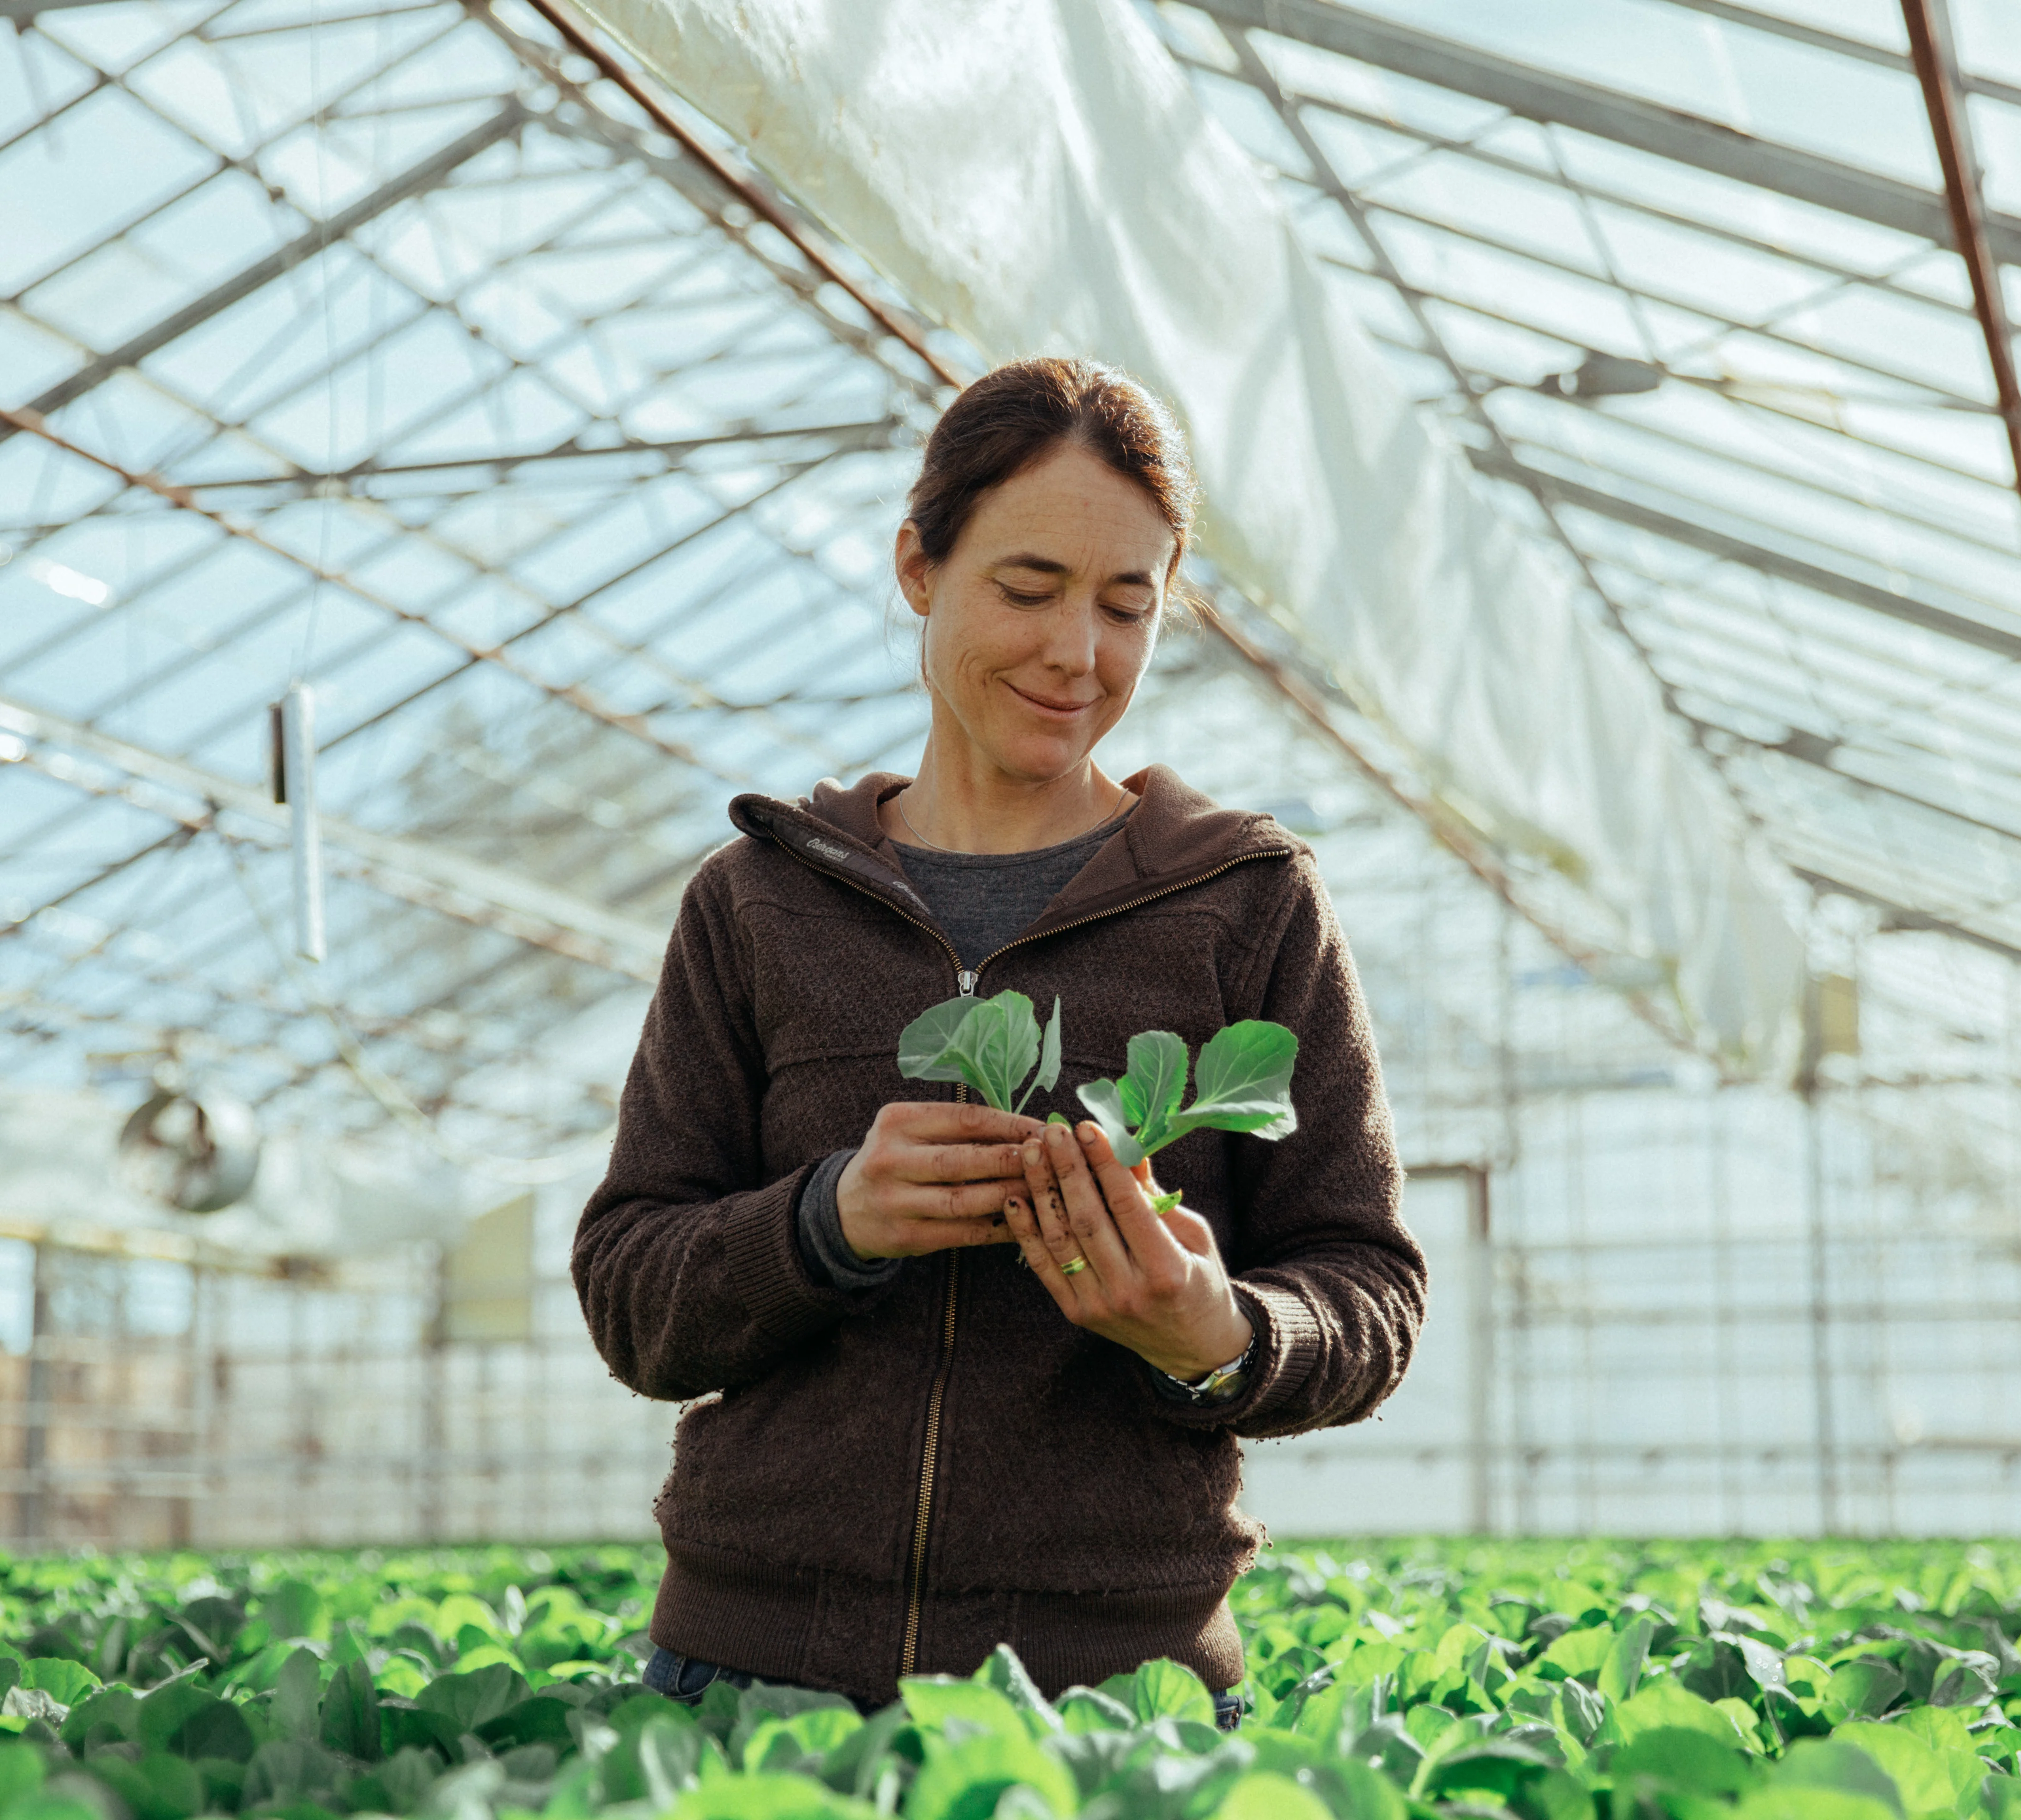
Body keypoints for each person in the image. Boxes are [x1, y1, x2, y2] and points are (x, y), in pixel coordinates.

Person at [572, 356, 1425, 1723]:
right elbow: (630, 1292)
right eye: (1026, 590)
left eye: (1126, 606)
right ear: (920, 565)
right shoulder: (761, 899)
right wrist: (822, 1224)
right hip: (749, 1679)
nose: (1076, 653)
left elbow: (1366, 1287)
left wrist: (1217, 1331)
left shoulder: (1250, 903)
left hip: (1113, 1699)